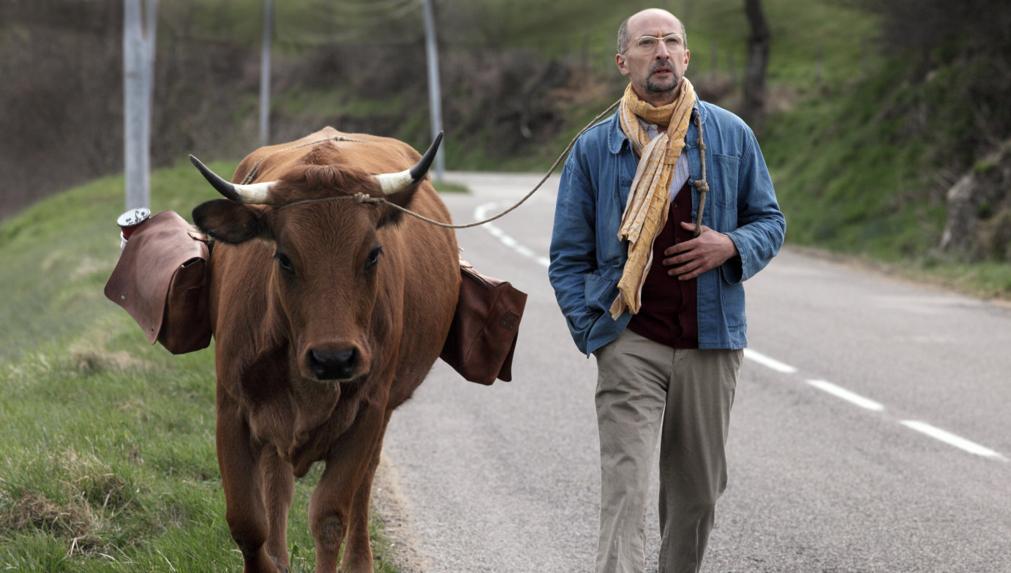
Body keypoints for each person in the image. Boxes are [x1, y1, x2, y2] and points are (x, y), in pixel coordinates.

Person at [548, 8, 786, 573]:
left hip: (711, 339)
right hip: (630, 337)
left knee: (698, 495)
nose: (660, 51)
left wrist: (729, 246)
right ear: (622, 61)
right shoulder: (593, 147)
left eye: (671, 41)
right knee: (626, 488)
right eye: (647, 42)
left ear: (686, 57)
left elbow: (770, 221)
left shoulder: (731, 133)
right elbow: (567, 257)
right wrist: (593, 331)